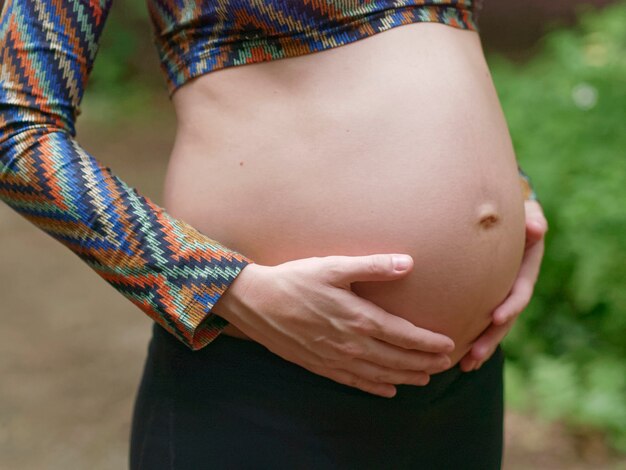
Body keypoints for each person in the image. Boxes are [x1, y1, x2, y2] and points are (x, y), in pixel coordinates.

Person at [0, 0, 547, 468]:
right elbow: (14, 128)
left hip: (462, 386)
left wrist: (505, 192)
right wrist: (218, 285)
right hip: (263, 380)